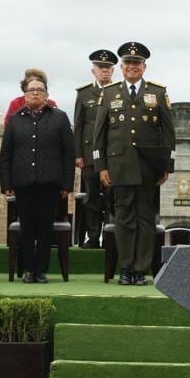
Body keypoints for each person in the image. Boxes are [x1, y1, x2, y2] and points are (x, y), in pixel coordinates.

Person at [93, 41, 175, 286]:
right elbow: (99, 135)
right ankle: (126, 268)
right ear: (121, 66)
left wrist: (166, 166)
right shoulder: (109, 93)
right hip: (118, 167)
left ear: (144, 66)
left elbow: (168, 134)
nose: (132, 67)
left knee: (146, 219)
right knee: (124, 219)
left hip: (148, 167)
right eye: (128, 63)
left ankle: (141, 270)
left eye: (136, 63)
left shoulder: (158, 93)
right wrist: (101, 167)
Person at [0, 75, 75, 283]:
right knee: (27, 228)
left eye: (39, 90)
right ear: (24, 95)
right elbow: (6, 154)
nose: (35, 93)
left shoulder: (59, 117)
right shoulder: (15, 119)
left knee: (44, 228)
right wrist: (6, 183)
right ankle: (28, 270)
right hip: (22, 183)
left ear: (46, 95)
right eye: (31, 90)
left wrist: (67, 184)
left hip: (50, 183)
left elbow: (69, 153)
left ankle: (41, 270)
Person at [73, 49, 118, 247]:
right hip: (90, 155)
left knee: (112, 197)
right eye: (101, 68)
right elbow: (79, 125)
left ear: (113, 70)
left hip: (113, 155)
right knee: (91, 198)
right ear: (94, 71)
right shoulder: (84, 94)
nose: (105, 71)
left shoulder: (118, 92)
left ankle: (111, 236)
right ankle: (92, 237)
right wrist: (78, 155)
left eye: (108, 68)